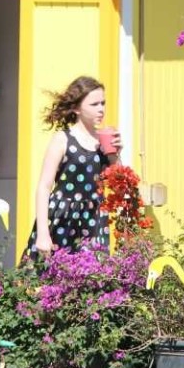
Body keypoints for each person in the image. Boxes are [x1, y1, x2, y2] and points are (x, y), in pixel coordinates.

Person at [22, 76, 121, 260]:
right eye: (94, 104)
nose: (101, 109)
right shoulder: (63, 139)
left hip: (94, 219)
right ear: (76, 108)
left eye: (103, 103)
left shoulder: (103, 140)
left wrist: (115, 155)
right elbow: (44, 187)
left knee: (91, 279)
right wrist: (43, 233)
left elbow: (118, 182)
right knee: (53, 277)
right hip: (63, 217)